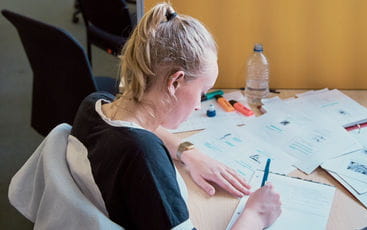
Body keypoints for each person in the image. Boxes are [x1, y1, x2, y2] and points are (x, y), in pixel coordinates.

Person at [71, 2, 281, 229]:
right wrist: (255, 215)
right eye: (202, 92)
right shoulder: (143, 156)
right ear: (175, 82)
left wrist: (189, 153)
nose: (199, 106)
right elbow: (142, 144)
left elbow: (141, 129)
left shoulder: (96, 104)